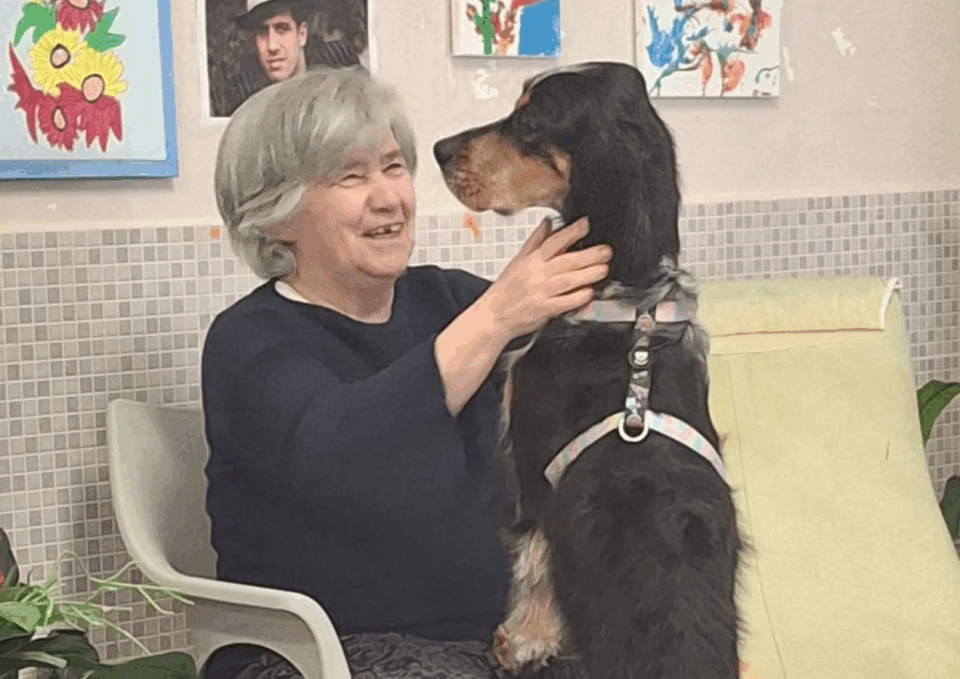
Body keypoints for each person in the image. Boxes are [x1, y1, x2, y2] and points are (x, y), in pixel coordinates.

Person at [201, 66, 611, 679]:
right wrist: (496, 317)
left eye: (394, 167)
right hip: (316, 654)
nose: (389, 198)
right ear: (276, 215)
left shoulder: (451, 300)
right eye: (351, 176)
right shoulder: (248, 342)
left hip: (495, 644)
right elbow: (347, 457)